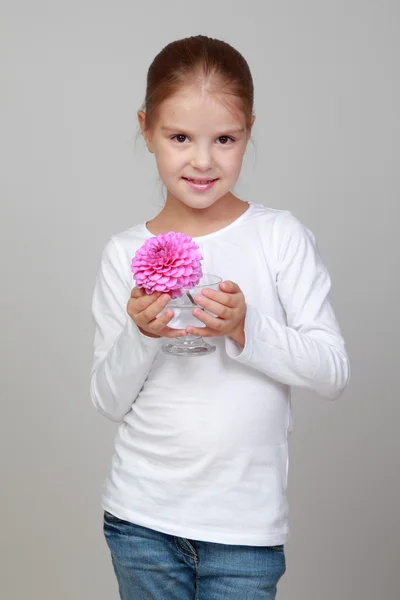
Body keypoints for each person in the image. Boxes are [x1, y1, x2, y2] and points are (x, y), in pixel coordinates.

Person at [90, 34, 350, 600]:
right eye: (180, 137)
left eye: (225, 139)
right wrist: (143, 333)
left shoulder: (278, 237)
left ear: (249, 131)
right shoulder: (123, 253)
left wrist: (244, 327)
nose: (202, 160)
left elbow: (332, 371)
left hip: (244, 533)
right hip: (141, 521)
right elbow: (108, 400)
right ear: (146, 128)